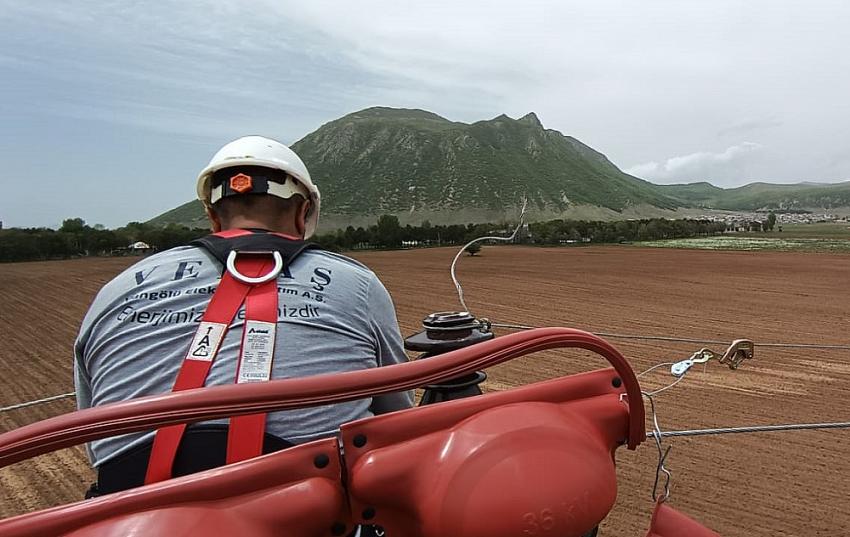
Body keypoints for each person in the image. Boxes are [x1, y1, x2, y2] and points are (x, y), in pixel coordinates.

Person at [74, 135, 413, 493]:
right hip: (307, 511)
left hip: (131, 514)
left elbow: (95, 431)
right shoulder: (356, 283)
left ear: (212, 216)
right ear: (303, 213)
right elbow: (396, 418)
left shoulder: (116, 290)